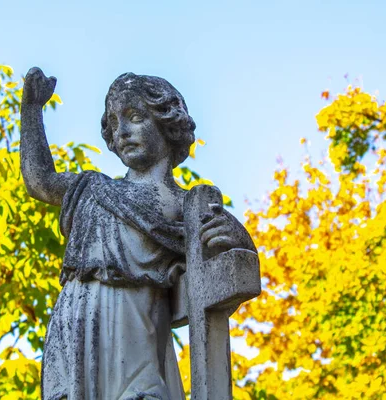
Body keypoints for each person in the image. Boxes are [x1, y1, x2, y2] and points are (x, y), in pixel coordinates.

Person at [20, 68, 254, 400]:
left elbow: (238, 272)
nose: (123, 131)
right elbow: (39, 180)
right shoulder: (91, 188)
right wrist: (31, 109)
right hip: (74, 325)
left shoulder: (185, 204)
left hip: (135, 333)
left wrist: (237, 237)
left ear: (168, 123)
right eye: (114, 123)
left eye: (134, 117)